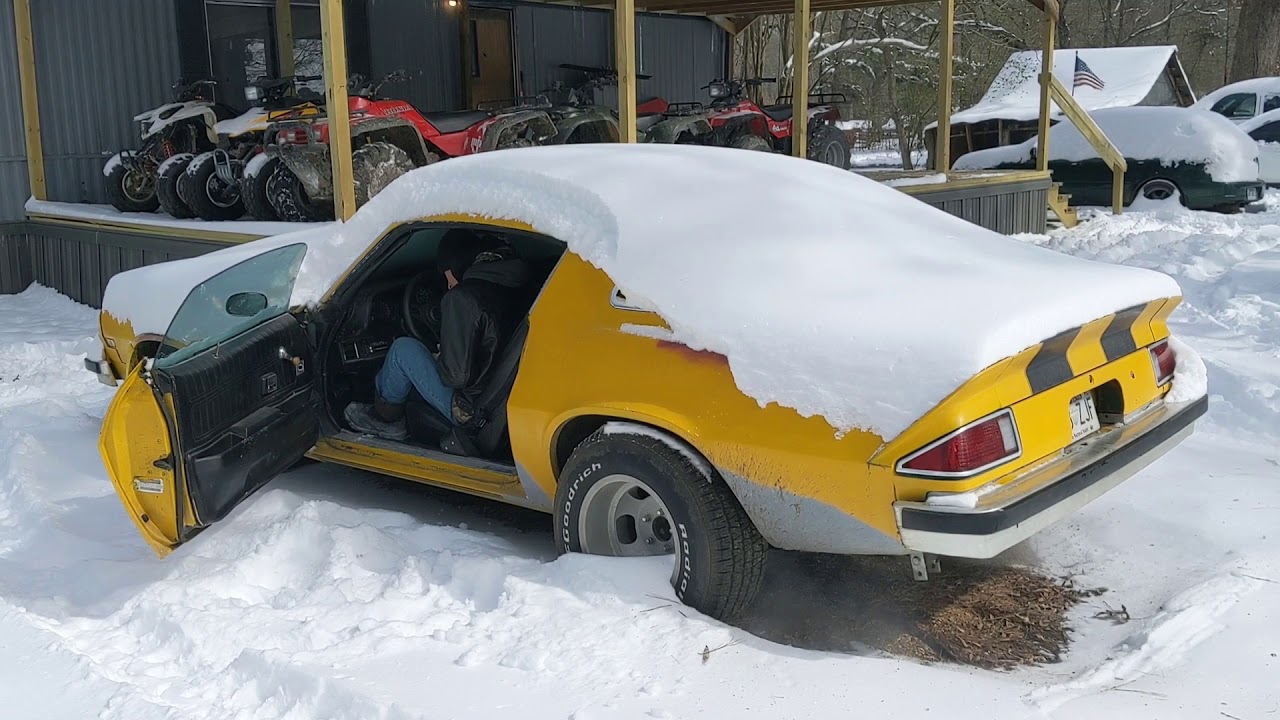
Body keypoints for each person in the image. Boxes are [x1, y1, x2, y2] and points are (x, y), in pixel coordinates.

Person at [344, 229, 531, 441]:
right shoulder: (514, 285)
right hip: (501, 400)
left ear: (458, 265)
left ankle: (386, 420)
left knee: (402, 350)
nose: (448, 284)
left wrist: (442, 357)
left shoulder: (462, 297)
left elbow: (456, 377)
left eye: (447, 273)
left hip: (470, 411)